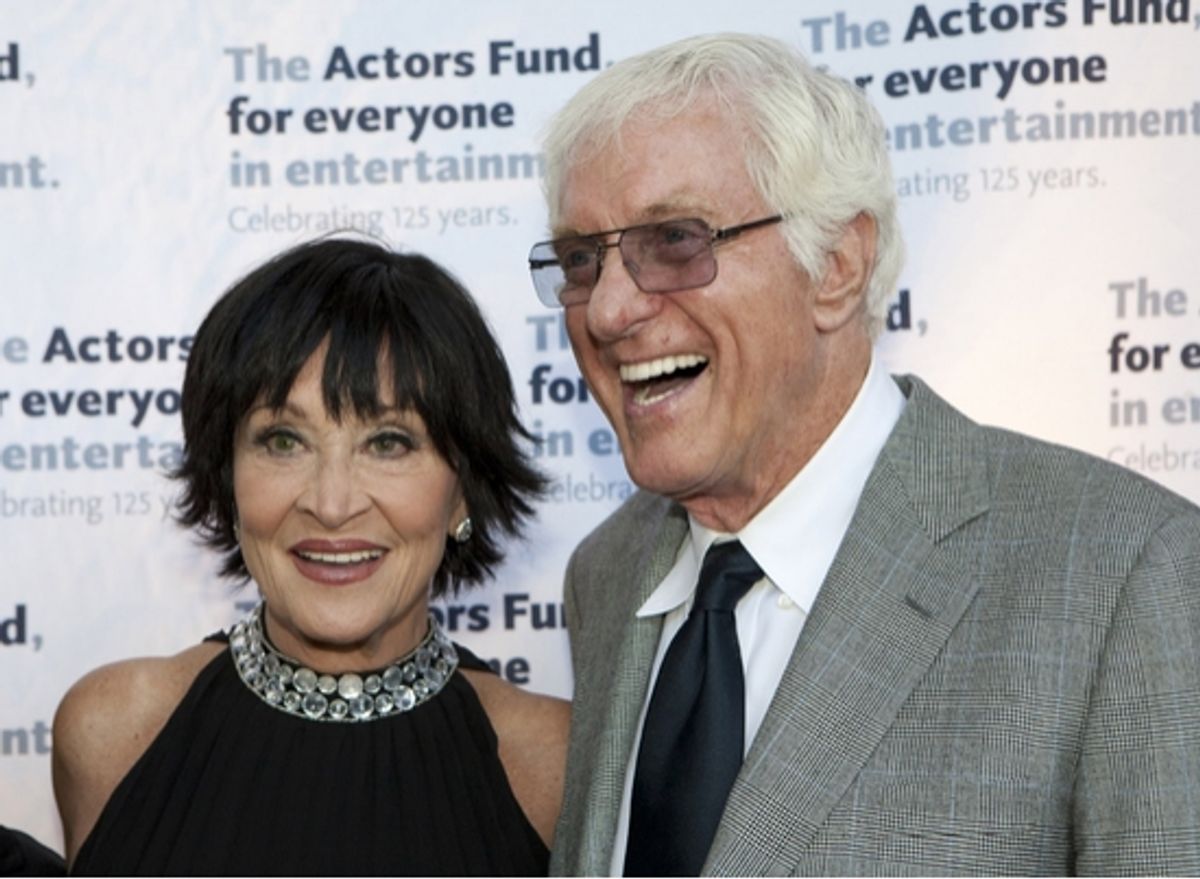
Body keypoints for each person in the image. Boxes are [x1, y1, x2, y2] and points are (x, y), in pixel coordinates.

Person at [529, 32, 1200, 876]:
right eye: (584, 259)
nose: (608, 309)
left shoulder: (1122, 574)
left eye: (675, 241)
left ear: (838, 266)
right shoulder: (609, 572)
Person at [53, 237, 568, 875]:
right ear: (228, 474)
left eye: (388, 441)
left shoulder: (557, 769)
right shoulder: (111, 732)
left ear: (463, 488)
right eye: (283, 439)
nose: (331, 504)